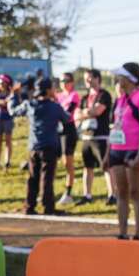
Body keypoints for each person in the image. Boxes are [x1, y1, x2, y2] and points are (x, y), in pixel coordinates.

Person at [9, 78, 69, 215]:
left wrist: (13, 95)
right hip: (49, 146)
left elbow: (13, 111)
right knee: (47, 178)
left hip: (33, 147)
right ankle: (48, 207)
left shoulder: (30, 104)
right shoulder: (54, 107)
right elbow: (66, 118)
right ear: (48, 90)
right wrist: (57, 100)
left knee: (33, 177)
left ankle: (29, 206)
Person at [106, 63, 139, 240]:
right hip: (117, 150)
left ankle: (138, 233)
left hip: (134, 150)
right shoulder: (121, 99)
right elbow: (115, 127)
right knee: (121, 191)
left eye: (121, 77)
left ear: (130, 79)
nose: (118, 80)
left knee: (135, 191)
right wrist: (107, 152)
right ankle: (122, 232)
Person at [75, 69, 116, 206]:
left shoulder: (104, 95)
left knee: (106, 167)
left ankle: (112, 195)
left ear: (98, 79)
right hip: (86, 137)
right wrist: (87, 112)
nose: (87, 81)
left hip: (101, 137)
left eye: (90, 78)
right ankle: (87, 195)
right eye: (86, 78)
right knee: (87, 167)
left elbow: (98, 111)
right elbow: (76, 115)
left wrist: (85, 112)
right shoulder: (85, 98)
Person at [56, 72, 81, 205]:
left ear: (72, 82)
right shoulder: (58, 96)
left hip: (68, 130)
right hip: (57, 130)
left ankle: (68, 192)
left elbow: (68, 112)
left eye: (67, 80)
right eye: (61, 81)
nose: (64, 83)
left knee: (67, 162)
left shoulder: (74, 95)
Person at [0, 74, 17, 170]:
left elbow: (12, 102)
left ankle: (7, 162)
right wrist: (2, 102)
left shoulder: (11, 92)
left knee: (8, 141)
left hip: (8, 119)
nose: (0, 84)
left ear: (6, 83)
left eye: (1, 82)